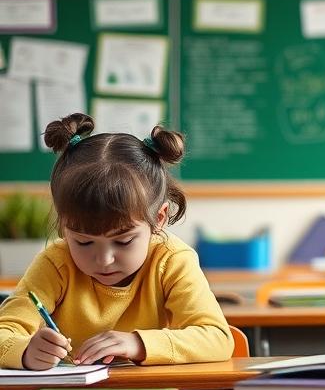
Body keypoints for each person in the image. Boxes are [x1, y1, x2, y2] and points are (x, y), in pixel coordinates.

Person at [0, 113, 232, 369]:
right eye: (84, 242)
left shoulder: (172, 260)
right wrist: (25, 351)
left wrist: (138, 344)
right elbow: (4, 333)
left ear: (159, 218)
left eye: (123, 242)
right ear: (64, 224)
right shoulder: (55, 262)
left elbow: (217, 338)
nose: (104, 260)